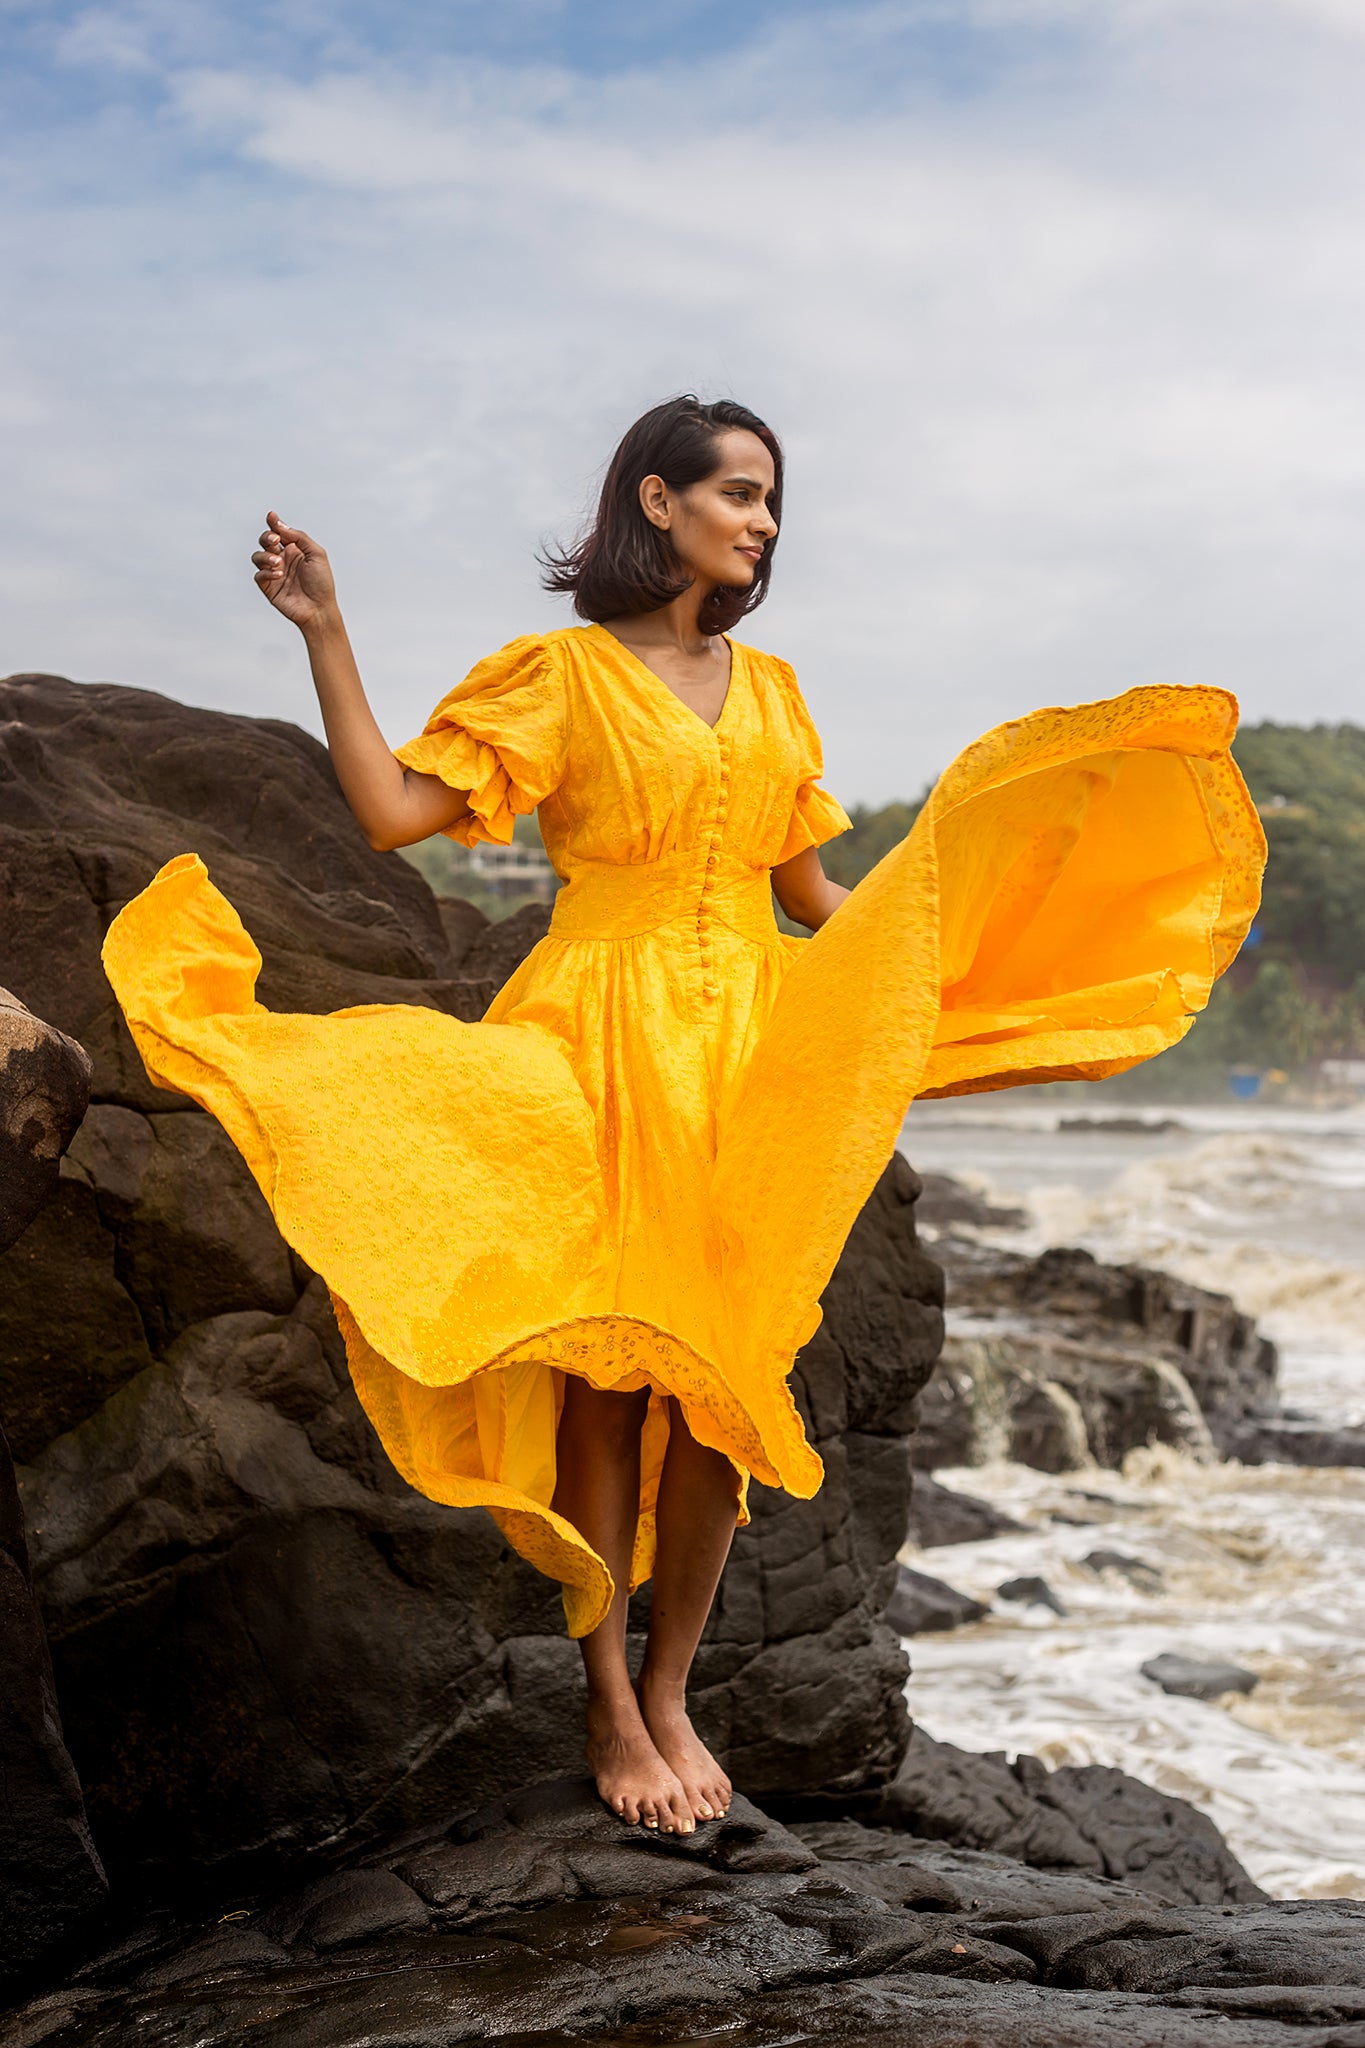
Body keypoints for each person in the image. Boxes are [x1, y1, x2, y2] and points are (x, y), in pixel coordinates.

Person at [103, 395, 1264, 1843]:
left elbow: (817, 904)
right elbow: (397, 813)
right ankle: (605, 1695)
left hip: (750, 1058)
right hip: (595, 1032)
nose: (763, 521)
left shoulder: (772, 692)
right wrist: (326, 630)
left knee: (723, 1385)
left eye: (773, 500)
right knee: (606, 1371)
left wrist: (958, 974)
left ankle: (673, 1689)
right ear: (657, 502)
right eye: (740, 492)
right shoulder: (563, 674)